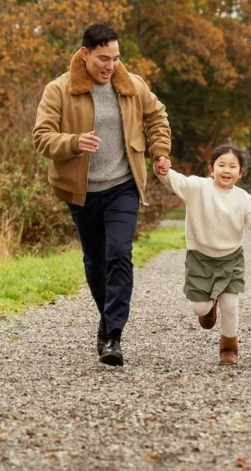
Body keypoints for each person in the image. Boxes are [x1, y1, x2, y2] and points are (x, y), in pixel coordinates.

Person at [32, 23, 171, 366]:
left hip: (123, 184)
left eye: (115, 58)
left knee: (119, 254)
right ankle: (107, 321)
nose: (110, 66)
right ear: (85, 54)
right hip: (82, 193)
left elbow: (157, 116)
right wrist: (74, 142)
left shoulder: (132, 85)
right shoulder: (59, 90)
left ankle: (113, 336)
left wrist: (161, 151)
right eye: (103, 59)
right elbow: (41, 137)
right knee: (95, 263)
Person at [153, 145, 251, 365]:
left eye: (233, 166)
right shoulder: (198, 188)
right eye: (221, 165)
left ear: (240, 172)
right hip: (200, 257)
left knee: (230, 305)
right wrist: (162, 169)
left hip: (231, 258)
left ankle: (229, 347)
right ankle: (209, 304)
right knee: (199, 308)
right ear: (211, 169)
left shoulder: (244, 198)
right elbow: (175, 180)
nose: (226, 170)